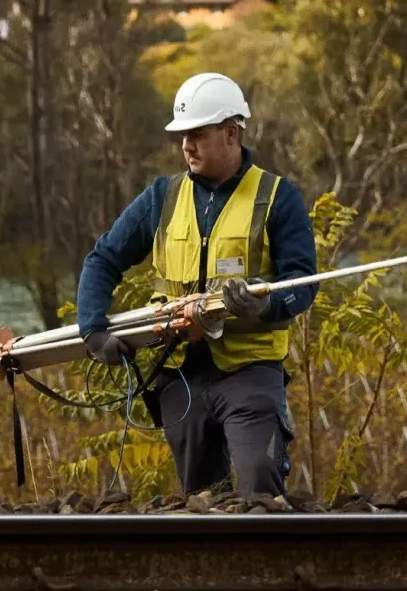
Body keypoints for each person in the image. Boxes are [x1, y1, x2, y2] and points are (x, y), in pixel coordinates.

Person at [74, 72, 317, 497]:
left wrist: (264, 304)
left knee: (261, 484)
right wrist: (92, 329)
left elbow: (304, 283)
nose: (186, 145)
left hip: (250, 371)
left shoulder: (277, 197)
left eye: (196, 134)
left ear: (230, 133)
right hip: (179, 372)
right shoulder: (160, 198)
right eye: (183, 135)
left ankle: (270, 560)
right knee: (202, 499)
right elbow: (103, 260)